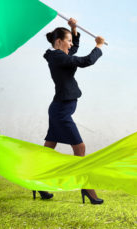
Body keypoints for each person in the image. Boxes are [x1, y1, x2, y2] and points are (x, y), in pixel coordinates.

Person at [32, 17, 105, 204]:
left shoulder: (58, 55)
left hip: (58, 108)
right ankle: (87, 188)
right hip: (61, 111)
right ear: (58, 42)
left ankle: (38, 183)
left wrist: (73, 29)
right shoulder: (58, 57)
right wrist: (98, 46)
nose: (71, 45)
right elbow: (85, 60)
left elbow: (73, 50)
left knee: (48, 150)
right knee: (80, 148)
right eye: (68, 41)